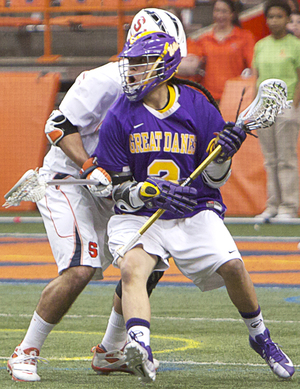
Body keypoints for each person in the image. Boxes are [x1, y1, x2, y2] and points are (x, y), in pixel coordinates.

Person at [89, 30, 295, 383]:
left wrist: (224, 154)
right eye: (132, 63)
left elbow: (214, 179)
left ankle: (261, 337)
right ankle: (140, 346)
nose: (132, 70)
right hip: (141, 215)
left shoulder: (197, 104)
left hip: (193, 208)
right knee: (133, 269)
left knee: (233, 266)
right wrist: (149, 193)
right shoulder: (119, 114)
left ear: (164, 66)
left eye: (140, 63)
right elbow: (116, 192)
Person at [6, 8, 187, 382]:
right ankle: (26, 350)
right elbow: (58, 125)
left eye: (155, 56)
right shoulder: (107, 79)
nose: (147, 64)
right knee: (81, 267)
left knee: (148, 260)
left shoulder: (167, 94)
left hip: (110, 186)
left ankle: (110, 350)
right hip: (69, 179)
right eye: (144, 55)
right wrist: (89, 165)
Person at [253, 0, 300, 221]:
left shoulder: (296, 45)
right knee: (270, 160)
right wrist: (257, 107)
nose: (274, 21)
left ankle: (289, 207)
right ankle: (273, 205)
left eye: (279, 16)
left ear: (288, 18)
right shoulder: (260, 45)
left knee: (286, 159)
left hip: (287, 107)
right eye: (270, 16)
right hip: (265, 109)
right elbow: (258, 78)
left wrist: (294, 107)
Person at [178, 0, 255, 103]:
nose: (219, 15)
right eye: (217, 11)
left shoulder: (244, 37)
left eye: (224, 11)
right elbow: (193, 66)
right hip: (208, 98)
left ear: (232, 14)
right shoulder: (204, 39)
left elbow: (253, 68)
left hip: (234, 99)